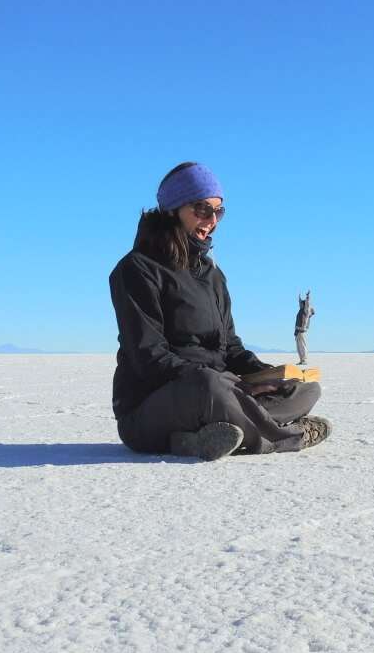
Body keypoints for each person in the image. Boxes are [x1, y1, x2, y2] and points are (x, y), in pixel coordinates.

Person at [109, 161, 332, 460]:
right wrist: (224, 383)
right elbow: (149, 356)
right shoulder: (136, 269)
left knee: (304, 388)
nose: (212, 219)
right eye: (202, 209)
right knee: (210, 387)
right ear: (172, 209)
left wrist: (265, 374)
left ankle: (195, 439)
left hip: (218, 391)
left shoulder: (212, 276)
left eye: (219, 211)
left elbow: (231, 348)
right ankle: (285, 437)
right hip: (152, 406)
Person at [294, 290, 315, 365]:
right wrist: (299, 298)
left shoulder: (306, 311)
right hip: (297, 331)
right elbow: (301, 302)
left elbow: (307, 304)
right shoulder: (301, 310)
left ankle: (304, 360)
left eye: (302, 304)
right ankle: (301, 360)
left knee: (302, 345)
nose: (300, 305)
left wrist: (307, 297)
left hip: (302, 331)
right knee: (298, 346)